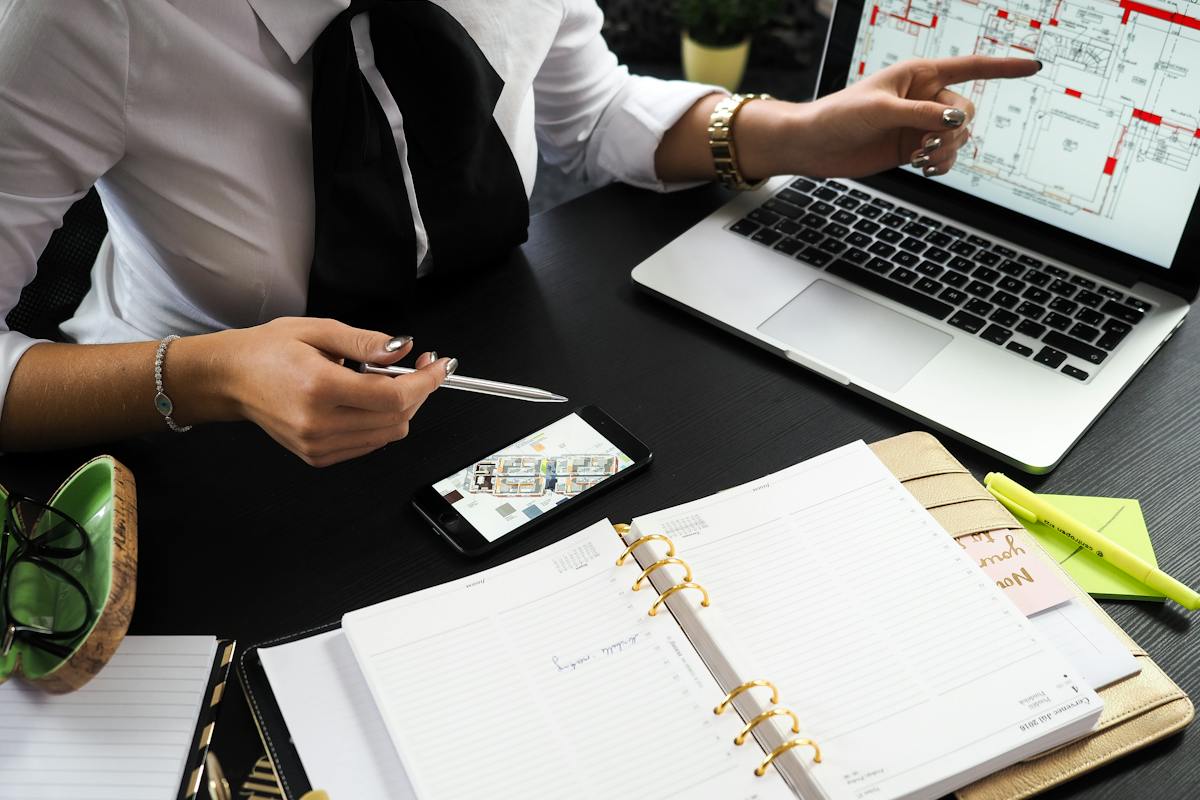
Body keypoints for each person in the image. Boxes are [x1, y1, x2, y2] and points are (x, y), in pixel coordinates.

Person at [0, 0, 1037, 466]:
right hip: (202, 445)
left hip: (488, 367)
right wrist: (210, 374)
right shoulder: (80, 16)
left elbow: (579, 118)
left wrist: (790, 134)